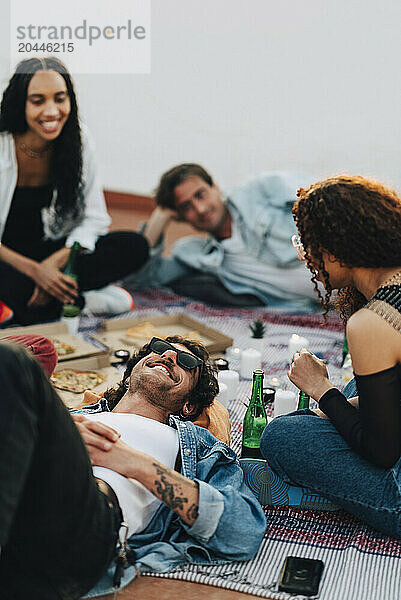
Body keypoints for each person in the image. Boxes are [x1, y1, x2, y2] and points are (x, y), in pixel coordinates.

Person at [0, 335, 266, 599]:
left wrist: (130, 461)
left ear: (189, 405)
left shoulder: (199, 446)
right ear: (128, 377)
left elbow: (242, 532)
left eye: (186, 362)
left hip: (85, 528)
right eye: (159, 348)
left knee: (15, 362)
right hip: (21, 507)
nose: (169, 356)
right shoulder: (74, 417)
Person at [260, 175, 401, 537]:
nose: (306, 258)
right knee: (359, 385)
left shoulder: (374, 322)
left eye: (308, 246)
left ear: (337, 250)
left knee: (282, 436)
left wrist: (321, 389)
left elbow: (381, 452)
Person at [0, 57, 149, 325]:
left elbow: (95, 218)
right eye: (38, 100)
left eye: (60, 98)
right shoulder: (2, 143)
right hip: (8, 257)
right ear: (20, 102)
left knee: (135, 246)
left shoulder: (78, 139)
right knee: (30, 303)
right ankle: (84, 300)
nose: (52, 111)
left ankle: (58, 296)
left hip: (54, 249)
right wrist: (37, 272)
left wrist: (54, 265)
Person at [135, 163, 320, 308]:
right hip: (324, 308)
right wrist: (161, 215)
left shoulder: (258, 191)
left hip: (347, 273)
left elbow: (330, 197)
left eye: (200, 195)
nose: (200, 209)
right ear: (180, 216)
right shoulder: (196, 254)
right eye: (186, 207)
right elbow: (141, 280)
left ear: (215, 187)